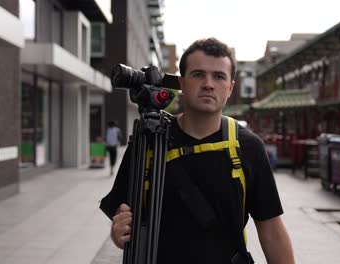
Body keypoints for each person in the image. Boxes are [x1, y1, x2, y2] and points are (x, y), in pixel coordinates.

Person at [100, 38, 294, 263]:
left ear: (230, 87)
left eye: (219, 76)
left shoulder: (247, 147)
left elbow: (271, 230)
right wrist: (118, 233)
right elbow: (122, 219)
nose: (208, 84)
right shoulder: (149, 140)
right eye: (198, 74)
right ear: (182, 82)